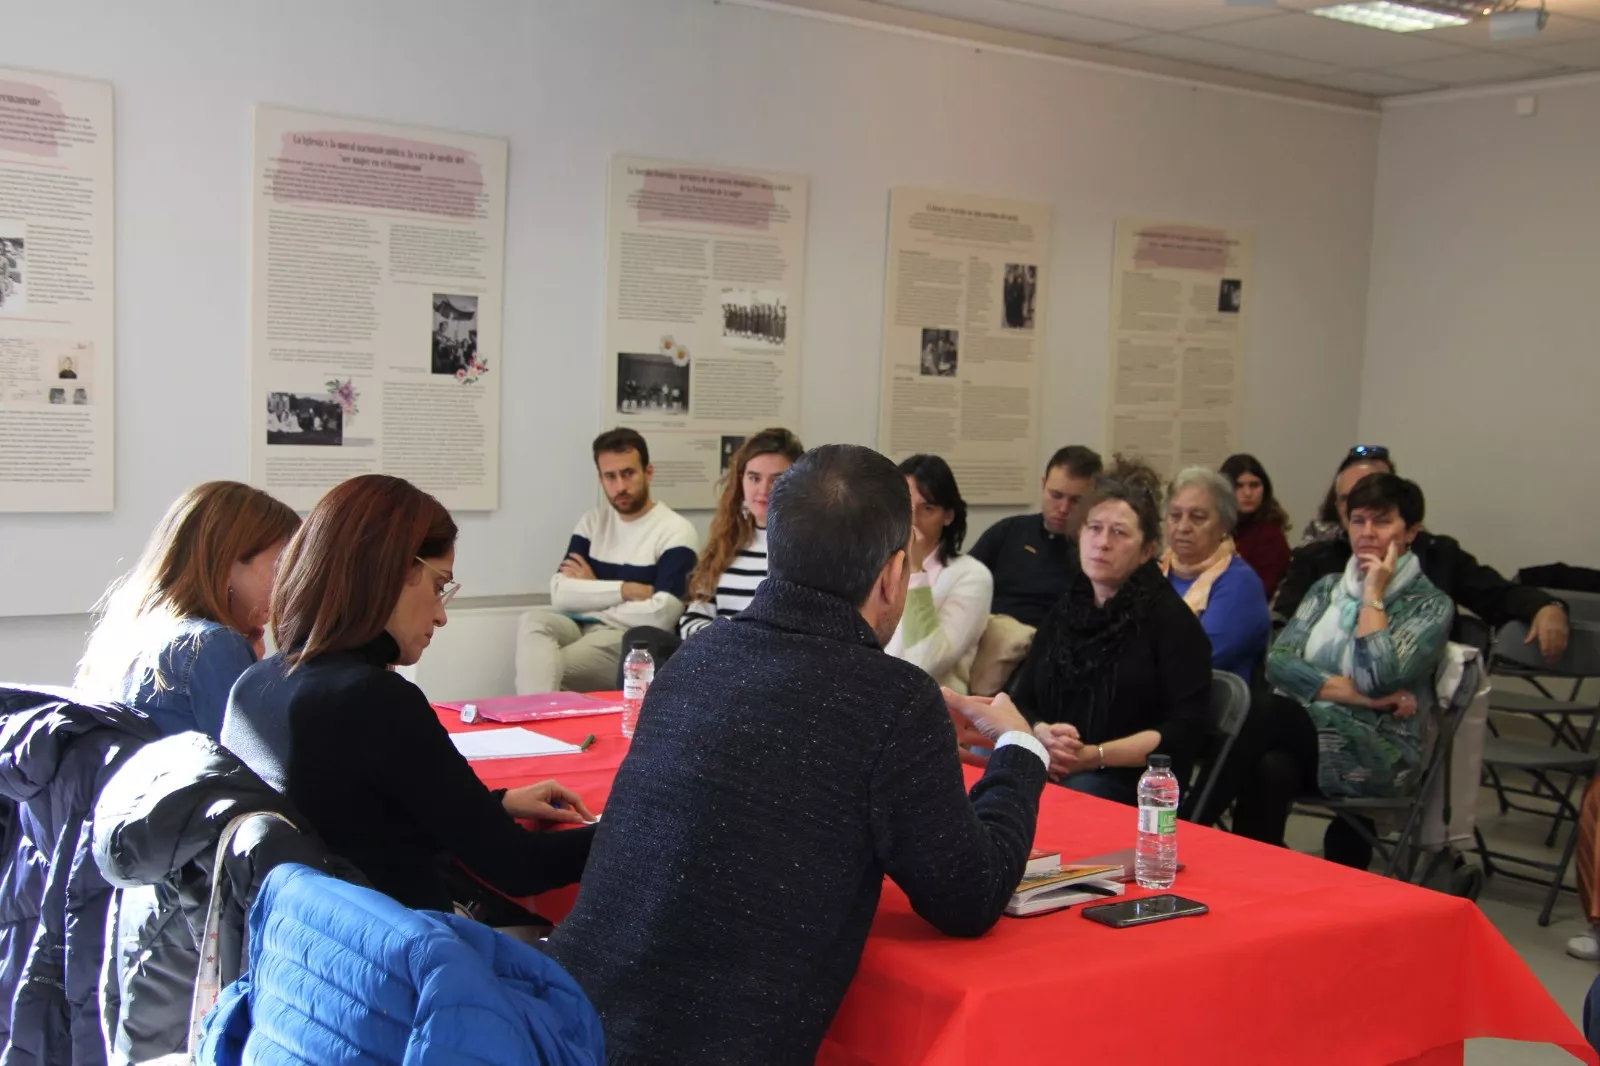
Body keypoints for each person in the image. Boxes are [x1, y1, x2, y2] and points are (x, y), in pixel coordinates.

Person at [546, 445, 1048, 1066]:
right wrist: (1020, 749)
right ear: (892, 575)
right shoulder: (891, 701)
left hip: (566, 1027)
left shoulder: (695, 659)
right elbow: (970, 896)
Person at [222, 474, 594, 915]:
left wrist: (496, 806)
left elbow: (360, 815)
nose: (441, 616)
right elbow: (519, 866)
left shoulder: (252, 686)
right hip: (399, 953)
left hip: (304, 950)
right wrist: (641, 827)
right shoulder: (375, 699)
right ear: (395, 571)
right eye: (439, 587)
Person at [1229, 474, 1454, 867]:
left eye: (1381, 521)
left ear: (1412, 531)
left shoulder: (1431, 605)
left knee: (1266, 712)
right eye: (1358, 520)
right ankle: (1259, 880)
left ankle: (1189, 821)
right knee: (1269, 769)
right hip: (1310, 736)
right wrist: (1357, 697)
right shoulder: (1327, 588)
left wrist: (1373, 595)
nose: (1367, 532)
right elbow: (1279, 662)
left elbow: (1379, 677)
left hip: (1383, 751)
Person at [1008, 458, 1213, 805]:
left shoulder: (1171, 621)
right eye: (1094, 528)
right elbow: (1022, 698)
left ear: (1147, 549)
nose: (1102, 543)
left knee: (1076, 793)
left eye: (1119, 532)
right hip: (1055, 762)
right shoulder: (1068, 608)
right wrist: (1043, 733)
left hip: (1131, 781)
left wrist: (1094, 755)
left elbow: (1184, 731)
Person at [1276, 445, 1569, 662]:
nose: (1362, 515)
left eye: (1378, 510)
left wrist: (1546, 606)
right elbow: (1284, 639)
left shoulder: (1438, 555)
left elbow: (1496, 594)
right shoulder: (1316, 560)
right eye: (1349, 503)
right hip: (1321, 682)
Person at [74, 481, 299, 739]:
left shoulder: (136, 630)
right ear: (225, 563)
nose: (291, 581)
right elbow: (258, 763)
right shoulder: (214, 644)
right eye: (282, 564)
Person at [515, 429, 699, 693]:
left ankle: (531, 724)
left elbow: (662, 615)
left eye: (628, 473)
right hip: (579, 624)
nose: (620, 486)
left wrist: (591, 590)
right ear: (600, 478)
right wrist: (626, 590)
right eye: (610, 477)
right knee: (533, 620)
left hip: (627, 639)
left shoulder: (676, 531)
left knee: (550, 670)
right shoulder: (592, 523)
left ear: (648, 473)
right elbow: (560, 595)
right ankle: (535, 723)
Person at [617, 428, 804, 677]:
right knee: (640, 639)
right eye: (754, 477)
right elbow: (693, 617)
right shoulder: (726, 543)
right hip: (716, 655)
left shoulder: (807, 549)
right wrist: (726, 642)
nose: (763, 490)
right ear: (741, 480)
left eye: (777, 480)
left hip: (771, 665)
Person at [886, 454, 994, 693]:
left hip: (929, 705)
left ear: (948, 515)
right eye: (905, 505)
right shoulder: (877, 564)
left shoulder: (972, 575)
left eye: (927, 508)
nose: (912, 519)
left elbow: (924, 663)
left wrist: (915, 572)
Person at [969, 445, 1102, 630]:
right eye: (1056, 495)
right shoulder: (1009, 531)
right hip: (993, 637)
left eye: (1075, 500)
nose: (1063, 508)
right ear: (1043, 485)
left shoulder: (1098, 550)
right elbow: (961, 580)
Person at [1159, 467, 1271, 682]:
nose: (1183, 527)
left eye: (1197, 517)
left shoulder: (1239, 584)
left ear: (1224, 526)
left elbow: (1191, 661)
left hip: (1205, 707)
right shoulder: (1155, 571)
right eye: (1175, 516)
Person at [1220, 453, 1292, 601]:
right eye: (1239, 486)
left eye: (1254, 485)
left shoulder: (1270, 535)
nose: (1248, 493)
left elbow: (1260, 591)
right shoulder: (1217, 528)